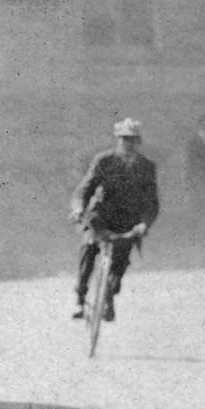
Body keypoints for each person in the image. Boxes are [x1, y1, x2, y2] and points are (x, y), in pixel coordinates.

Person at [71, 117, 160, 321]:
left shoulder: (146, 166)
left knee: (119, 263)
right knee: (89, 248)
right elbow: (84, 189)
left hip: (128, 221)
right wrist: (78, 209)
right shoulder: (104, 161)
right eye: (123, 139)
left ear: (139, 142)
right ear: (117, 140)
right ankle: (80, 296)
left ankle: (109, 296)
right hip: (100, 217)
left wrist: (144, 223)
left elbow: (152, 202)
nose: (127, 144)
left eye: (132, 140)